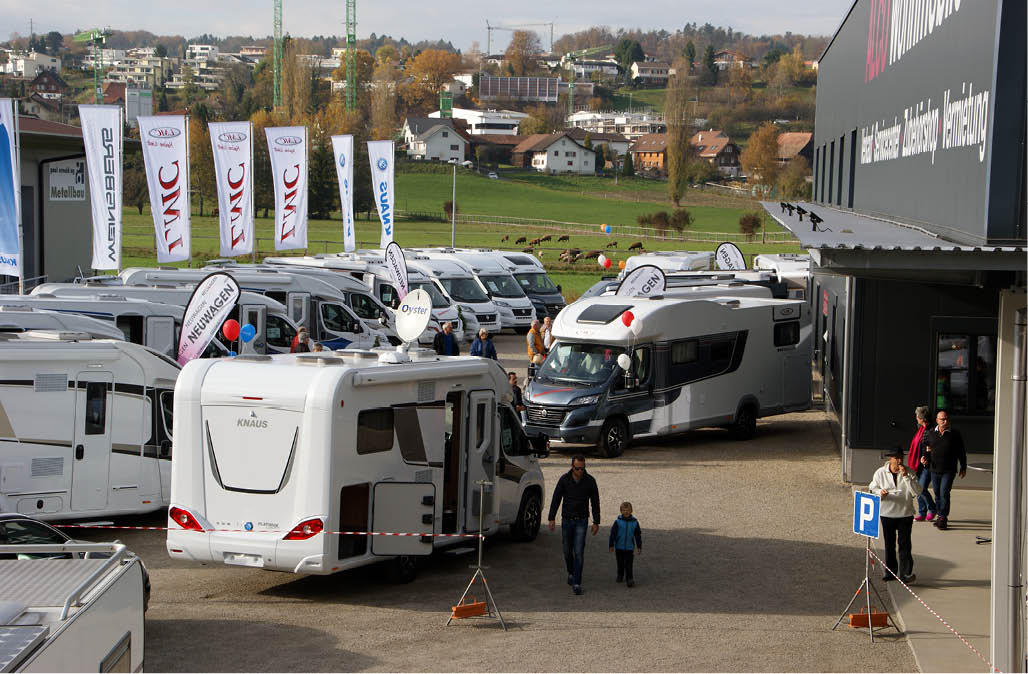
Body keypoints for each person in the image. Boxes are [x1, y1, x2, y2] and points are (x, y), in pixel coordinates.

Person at [547, 455, 600, 596]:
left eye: (582, 468)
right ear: (572, 467)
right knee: (566, 550)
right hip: (567, 520)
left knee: (579, 551)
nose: (580, 471)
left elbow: (595, 502)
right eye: (577, 468)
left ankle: (577, 582)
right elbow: (556, 498)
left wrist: (596, 521)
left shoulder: (590, 481)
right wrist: (551, 518)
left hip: (581, 520)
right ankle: (571, 572)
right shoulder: (564, 480)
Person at [869, 448, 922, 583]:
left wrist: (906, 477)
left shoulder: (909, 472)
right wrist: (880, 492)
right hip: (887, 513)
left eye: (901, 457)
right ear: (890, 459)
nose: (899, 460)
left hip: (905, 514)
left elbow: (917, 492)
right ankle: (890, 572)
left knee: (905, 544)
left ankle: (906, 573)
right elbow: (872, 488)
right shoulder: (880, 472)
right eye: (896, 458)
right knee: (889, 544)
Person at [923, 410, 967, 530]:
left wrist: (963, 466)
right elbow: (926, 449)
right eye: (942, 419)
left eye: (947, 419)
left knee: (944, 493)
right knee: (937, 494)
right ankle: (940, 516)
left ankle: (943, 517)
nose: (945, 421)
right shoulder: (931, 433)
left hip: (949, 470)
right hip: (934, 469)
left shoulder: (954, 434)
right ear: (937, 420)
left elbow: (961, 451)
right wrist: (925, 458)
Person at [907, 405, 936, 522]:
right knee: (917, 486)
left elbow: (932, 446)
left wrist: (927, 457)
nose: (916, 418)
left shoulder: (930, 430)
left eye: (917, 416)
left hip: (927, 464)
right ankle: (922, 512)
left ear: (922, 418)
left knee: (921, 487)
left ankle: (932, 508)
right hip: (918, 463)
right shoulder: (920, 428)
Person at [608, 501, 643, 587]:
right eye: (624, 510)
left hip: (629, 547)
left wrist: (639, 546)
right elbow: (613, 534)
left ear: (631, 511)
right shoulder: (617, 522)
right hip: (619, 547)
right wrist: (611, 545)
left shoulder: (634, 522)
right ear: (621, 511)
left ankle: (629, 579)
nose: (626, 512)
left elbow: (637, 535)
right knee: (620, 563)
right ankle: (620, 575)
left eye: (628, 510)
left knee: (629, 564)